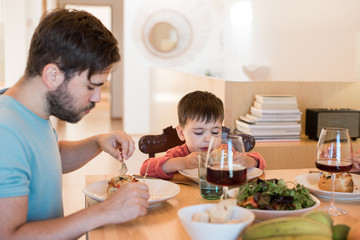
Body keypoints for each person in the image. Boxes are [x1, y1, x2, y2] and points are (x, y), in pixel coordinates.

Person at [0, 8, 149, 239]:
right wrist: (105, 211)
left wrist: (98, 142)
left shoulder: (27, 111)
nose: (97, 98)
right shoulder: (4, 131)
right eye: (91, 86)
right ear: (52, 75)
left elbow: (47, 158)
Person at [140, 90, 266, 179]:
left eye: (215, 132)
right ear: (181, 133)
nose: (208, 139)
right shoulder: (179, 154)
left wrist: (247, 161)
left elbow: (260, 160)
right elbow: (145, 168)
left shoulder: (224, 152)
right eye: (199, 132)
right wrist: (183, 163)